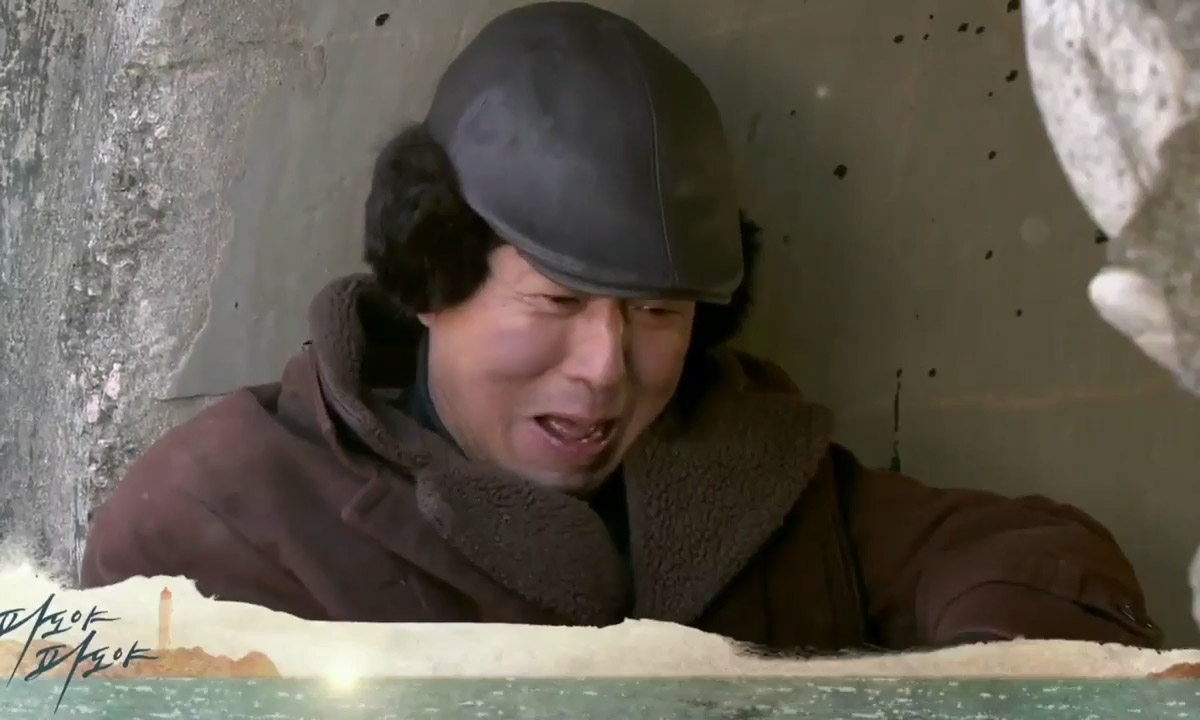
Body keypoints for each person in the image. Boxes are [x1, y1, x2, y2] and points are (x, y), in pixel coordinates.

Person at [81, 1, 1162, 652]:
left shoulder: (758, 477)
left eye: (657, 311)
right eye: (556, 302)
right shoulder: (221, 522)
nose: (607, 369)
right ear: (427, 277)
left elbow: (1031, 558)